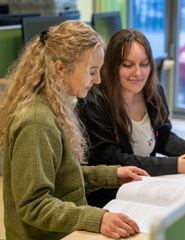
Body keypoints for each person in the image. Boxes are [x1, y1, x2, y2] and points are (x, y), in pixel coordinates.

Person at [0, 21, 150, 240]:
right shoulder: (36, 122)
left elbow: (63, 175)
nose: (98, 80)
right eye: (91, 72)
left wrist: (112, 175)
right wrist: (96, 218)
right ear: (61, 68)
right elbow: (34, 206)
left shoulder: (55, 107)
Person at [76, 29, 185, 208]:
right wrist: (177, 165)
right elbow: (115, 161)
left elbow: (164, 137)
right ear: (112, 66)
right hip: (108, 199)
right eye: (128, 65)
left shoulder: (154, 92)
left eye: (144, 64)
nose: (138, 73)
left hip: (144, 188)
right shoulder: (93, 103)